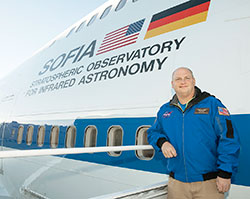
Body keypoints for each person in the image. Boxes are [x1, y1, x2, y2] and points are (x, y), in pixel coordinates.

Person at [147, 67, 240, 199]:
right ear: (172, 84)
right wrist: (162, 143)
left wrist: (225, 173)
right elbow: (152, 132)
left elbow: (229, 138)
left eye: (187, 78)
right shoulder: (165, 110)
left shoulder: (212, 104)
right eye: (178, 79)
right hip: (177, 185)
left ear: (194, 81)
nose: (183, 81)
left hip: (209, 184)